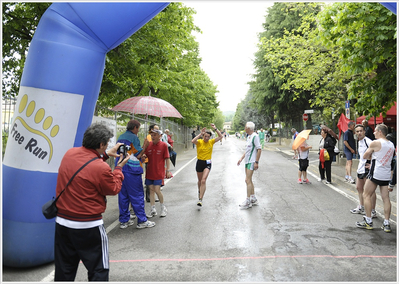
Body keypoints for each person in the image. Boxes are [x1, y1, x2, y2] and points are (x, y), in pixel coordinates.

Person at [54, 123, 130, 281]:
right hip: (89, 226)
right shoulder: (101, 168)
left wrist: (106, 154)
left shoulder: (69, 153)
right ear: (101, 144)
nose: (108, 145)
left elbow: (85, 162)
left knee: (64, 270)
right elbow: (113, 188)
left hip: (63, 222)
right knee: (98, 270)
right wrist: (119, 168)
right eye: (107, 143)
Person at [116, 119, 155, 230]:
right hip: (131, 170)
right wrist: (145, 146)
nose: (138, 130)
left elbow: (128, 153)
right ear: (135, 128)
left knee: (123, 195)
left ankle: (124, 220)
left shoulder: (121, 137)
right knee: (137, 195)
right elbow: (138, 154)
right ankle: (142, 220)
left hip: (120, 168)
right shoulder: (134, 138)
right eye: (138, 128)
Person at [356, 124, 395, 233]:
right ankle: (386, 223)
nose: (373, 133)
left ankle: (368, 221)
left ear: (380, 132)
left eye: (375, 131)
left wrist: (372, 156)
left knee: (366, 194)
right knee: (386, 198)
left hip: (376, 173)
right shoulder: (391, 144)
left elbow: (364, 156)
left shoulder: (375, 143)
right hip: (386, 174)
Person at [192, 123, 223, 207]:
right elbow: (193, 141)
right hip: (199, 162)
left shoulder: (211, 142)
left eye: (208, 137)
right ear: (203, 136)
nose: (206, 138)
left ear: (210, 137)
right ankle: (200, 191)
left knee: (203, 180)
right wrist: (200, 134)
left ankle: (200, 199)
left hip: (207, 163)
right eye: (205, 136)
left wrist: (215, 129)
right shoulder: (200, 142)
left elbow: (220, 137)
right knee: (199, 181)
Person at [143, 129, 171, 218]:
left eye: (155, 135)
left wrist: (167, 170)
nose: (153, 137)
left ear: (160, 136)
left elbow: (167, 158)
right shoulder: (149, 145)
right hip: (149, 172)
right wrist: (143, 153)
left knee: (157, 190)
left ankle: (163, 208)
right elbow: (144, 155)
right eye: (152, 135)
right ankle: (153, 209)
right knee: (151, 190)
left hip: (159, 172)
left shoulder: (163, 145)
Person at [350, 124, 377, 218]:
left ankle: (372, 211)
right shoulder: (359, 141)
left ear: (364, 131)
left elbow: (376, 152)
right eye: (357, 131)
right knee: (359, 187)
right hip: (360, 168)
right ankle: (361, 206)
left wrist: (372, 165)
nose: (359, 133)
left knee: (370, 191)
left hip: (366, 168)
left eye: (361, 131)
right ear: (355, 133)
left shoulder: (368, 141)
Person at [237, 121, 262, 209]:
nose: (244, 129)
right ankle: (253, 198)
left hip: (251, 161)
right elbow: (247, 150)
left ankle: (248, 201)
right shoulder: (249, 137)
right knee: (249, 180)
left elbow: (259, 149)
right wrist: (241, 159)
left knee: (247, 180)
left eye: (245, 127)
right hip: (247, 161)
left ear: (249, 128)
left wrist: (256, 162)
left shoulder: (255, 136)